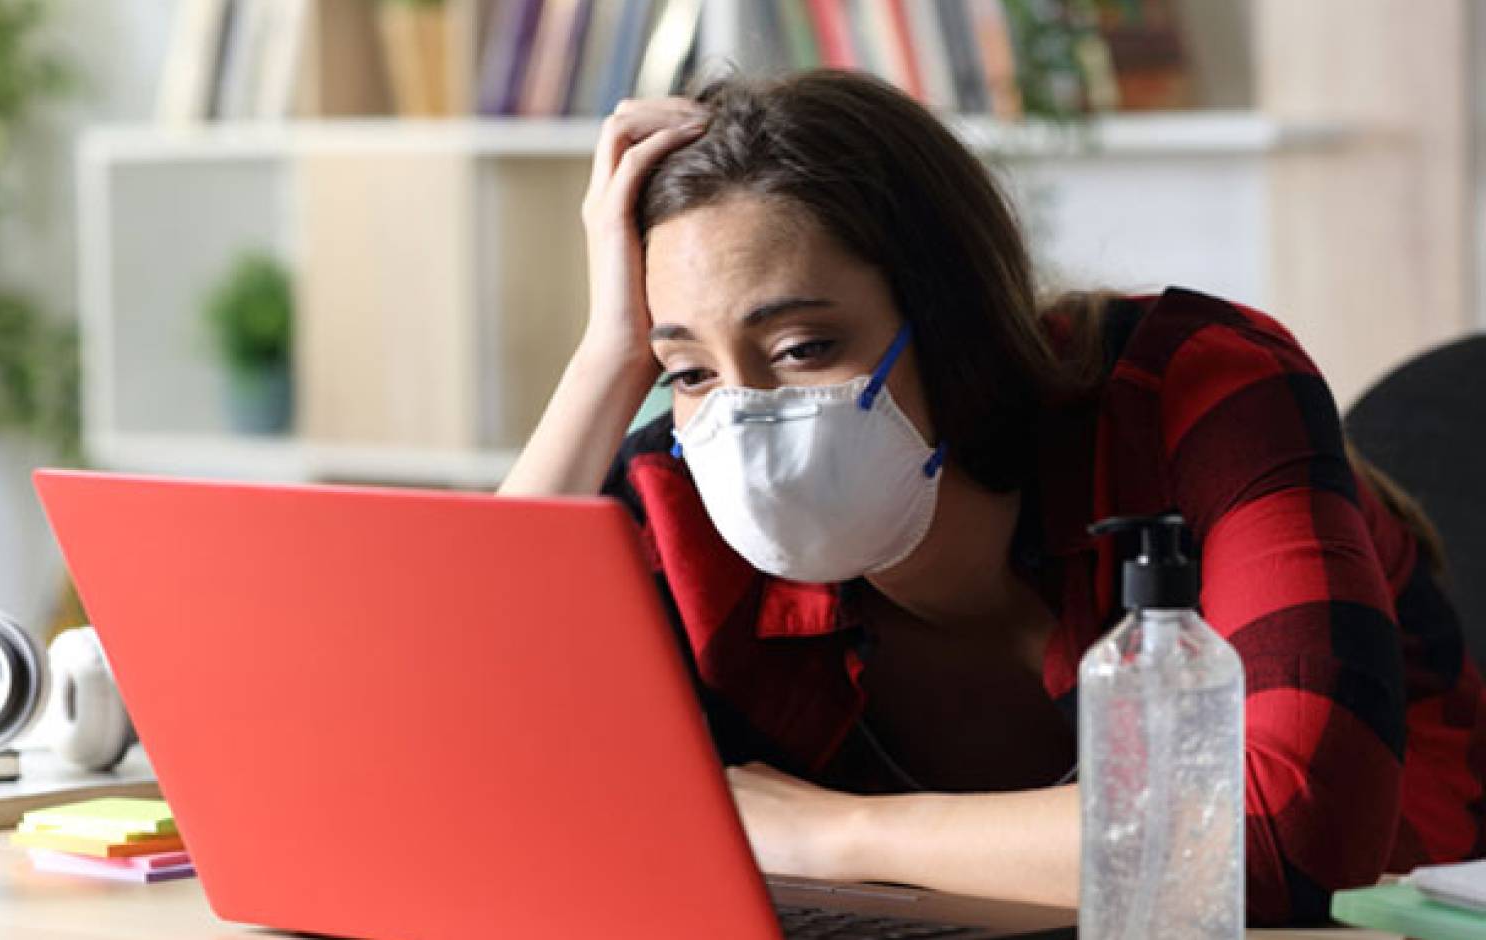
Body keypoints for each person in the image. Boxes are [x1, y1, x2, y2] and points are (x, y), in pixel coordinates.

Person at [496, 69, 1486, 926]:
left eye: (804, 348)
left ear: (952, 325)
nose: (743, 419)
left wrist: (828, 829)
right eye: (693, 371)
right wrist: (608, 358)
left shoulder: (1200, 386)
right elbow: (453, 754)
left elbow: (1277, 833)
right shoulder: (674, 486)